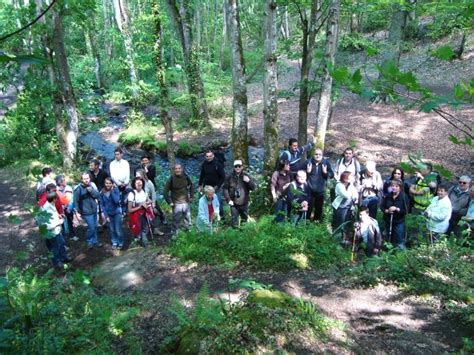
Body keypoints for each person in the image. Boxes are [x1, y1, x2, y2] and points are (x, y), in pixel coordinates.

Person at [40, 192, 72, 268]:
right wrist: (59, 222)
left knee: (61, 243)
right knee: (55, 247)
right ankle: (57, 263)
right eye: (56, 198)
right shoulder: (47, 209)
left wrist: (59, 215)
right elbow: (48, 226)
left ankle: (64, 258)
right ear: (54, 199)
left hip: (56, 231)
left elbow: (53, 215)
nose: (57, 200)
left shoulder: (50, 204)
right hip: (52, 232)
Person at [223, 160, 256, 228]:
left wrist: (248, 181)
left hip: (244, 203)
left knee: (244, 221)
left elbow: (253, 188)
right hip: (233, 204)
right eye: (236, 166)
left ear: (242, 167)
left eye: (239, 166)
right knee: (234, 222)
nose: (237, 168)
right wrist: (228, 200)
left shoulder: (246, 176)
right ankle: (235, 236)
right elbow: (225, 189)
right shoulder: (229, 177)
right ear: (234, 167)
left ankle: (243, 236)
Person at [73, 172, 102, 249]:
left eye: (87, 178)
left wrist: (91, 191)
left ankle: (95, 241)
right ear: (81, 179)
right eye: (84, 179)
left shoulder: (92, 185)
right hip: (86, 211)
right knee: (91, 227)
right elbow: (75, 201)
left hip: (94, 209)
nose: (86, 180)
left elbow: (98, 196)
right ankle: (89, 241)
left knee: (94, 226)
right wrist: (77, 212)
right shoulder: (78, 189)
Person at [163, 164, 194, 232]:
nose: (178, 170)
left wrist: (191, 196)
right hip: (176, 203)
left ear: (181, 169)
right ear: (174, 170)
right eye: (176, 169)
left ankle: (189, 231)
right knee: (176, 219)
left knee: (187, 218)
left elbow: (191, 186)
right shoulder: (171, 179)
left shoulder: (185, 176)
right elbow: (165, 192)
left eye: (179, 168)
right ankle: (175, 233)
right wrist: (169, 202)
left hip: (186, 201)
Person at [306, 148, 334, 222]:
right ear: (313, 154)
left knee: (319, 208)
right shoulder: (308, 162)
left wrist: (325, 172)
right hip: (310, 189)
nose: (318, 156)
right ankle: (306, 222)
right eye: (316, 154)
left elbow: (332, 175)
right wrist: (307, 172)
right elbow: (299, 174)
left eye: (319, 154)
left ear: (322, 155)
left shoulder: (325, 163)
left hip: (320, 190)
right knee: (309, 207)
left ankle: (316, 222)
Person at [135, 169, 164, 236]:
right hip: (139, 204)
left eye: (138, 175)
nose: (136, 176)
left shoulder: (149, 183)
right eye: (136, 175)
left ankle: (155, 229)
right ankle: (142, 233)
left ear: (142, 175)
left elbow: (153, 193)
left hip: (148, 203)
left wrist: (153, 203)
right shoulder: (135, 183)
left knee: (152, 216)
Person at [332, 171, 358, 243]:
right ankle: (336, 239)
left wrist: (355, 197)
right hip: (340, 207)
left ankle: (345, 239)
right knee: (339, 223)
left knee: (347, 223)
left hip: (348, 207)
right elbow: (346, 195)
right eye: (350, 177)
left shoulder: (350, 185)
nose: (352, 178)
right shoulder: (339, 185)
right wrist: (352, 188)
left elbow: (355, 194)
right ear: (345, 178)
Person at [381, 179, 408, 249]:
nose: (394, 188)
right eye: (392, 186)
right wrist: (387, 210)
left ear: (400, 187)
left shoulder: (404, 197)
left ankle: (400, 255)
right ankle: (389, 253)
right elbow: (382, 206)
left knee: (399, 239)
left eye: (396, 186)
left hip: (398, 222)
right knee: (389, 238)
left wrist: (397, 209)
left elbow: (406, 210)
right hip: (388, 220)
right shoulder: (388, 196)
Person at [198, 150, 226, 216]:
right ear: (205, 157)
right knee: (207, 205)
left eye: (210, 156)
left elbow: (223, 177)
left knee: (218, 204)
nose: (209, 157)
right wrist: (200, 185)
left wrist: (217, 186)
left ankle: (222, 219)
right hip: (207, 188)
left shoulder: (218, 164)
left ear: (213, 156)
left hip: (216, 188)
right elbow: (202, 175)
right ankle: (209, 219)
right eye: (207, 156)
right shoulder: (204, 164)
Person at [100, 177, 125, 250]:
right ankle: (114, 242)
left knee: (118, 229)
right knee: (112, 229)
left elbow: (116, 201)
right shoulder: (102, 192)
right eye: (107, 183)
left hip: (117, 212)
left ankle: (120, 242)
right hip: (108, 213)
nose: (108, 185)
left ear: (112, 184)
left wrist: (111, 191)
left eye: (110, 183)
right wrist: (106, 215)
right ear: (104, 184)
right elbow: (102, 205)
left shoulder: (115, 190)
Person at [128, 177, 153, 246]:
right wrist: (140, 206)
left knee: (144, 227)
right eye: (137, 183)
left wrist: (148, 202)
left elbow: (148, 200)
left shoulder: (144, 191)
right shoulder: (132, 194)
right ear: (134, 184)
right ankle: (138, 241)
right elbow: (129, 209)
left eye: (140, 183)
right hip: (135, 214)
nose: (139, 184)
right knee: (137, 228)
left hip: (144, 212)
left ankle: (143, 241)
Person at [55, 175, 78, 242]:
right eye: (64, 180)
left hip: (68, 209)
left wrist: (69, 207)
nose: (65, 181)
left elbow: (71, 199)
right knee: (61, 224)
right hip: (59, 210)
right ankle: (63, 239)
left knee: (70, 221)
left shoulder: (68, 188)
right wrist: (61, 208)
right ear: (60, 182)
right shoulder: (55, 190)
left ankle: (72, 235)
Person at [109, 147, 130, 213]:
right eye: (115, 154)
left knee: (127, 197)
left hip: (125, 183)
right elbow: (113, 175)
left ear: (121, 154)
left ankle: (125, 211)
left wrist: (126, 182)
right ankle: (117, 211)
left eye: (118, 154)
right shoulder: (112, 163)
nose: (116, 156)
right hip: (116, 184)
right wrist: (119, 183)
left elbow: (128, 173)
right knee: (117, 198)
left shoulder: (125, 162)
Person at [270, 158, 291, 222]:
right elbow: (272, 185)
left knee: (284, 213)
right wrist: (274, 196)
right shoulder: (276, 173)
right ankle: (276, 227)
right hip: (278, 196)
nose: (289, 166)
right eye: (287, 165)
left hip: (287, 197)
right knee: (278, 213)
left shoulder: (289, 173)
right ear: (282, 166)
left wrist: (289, 185)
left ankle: (282, 228)